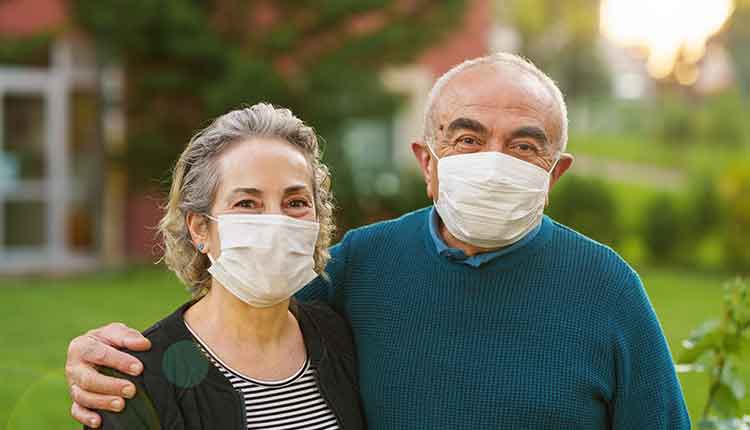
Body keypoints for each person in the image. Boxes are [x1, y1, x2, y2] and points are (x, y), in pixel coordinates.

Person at [66, 53, 690, 429]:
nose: (493, 162)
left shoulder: (608, 290)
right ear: (427, 160)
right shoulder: (359, 267)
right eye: (466, 139)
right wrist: (102, 361)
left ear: (554, 174)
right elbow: (239, 311)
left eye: (525, 145)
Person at [78, 103, 364, 429]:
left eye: (296, 202)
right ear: (200, 228)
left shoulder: (341, 340)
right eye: (247, 203)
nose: (275, 221)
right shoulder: (137, 379)